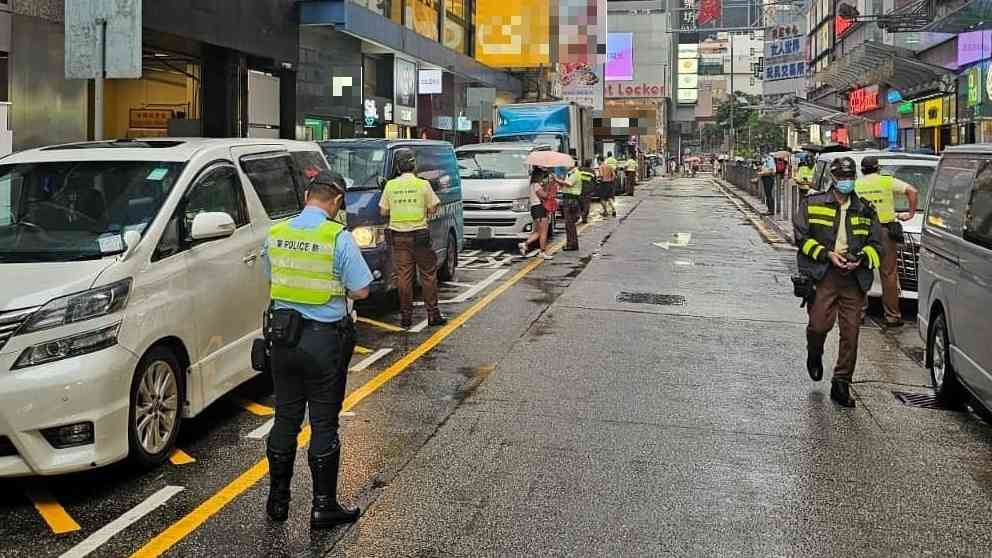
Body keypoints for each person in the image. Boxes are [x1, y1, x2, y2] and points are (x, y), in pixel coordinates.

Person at [263, 172, 373, 528]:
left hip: (282, 340)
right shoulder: (337, 238)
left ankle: (277, 502)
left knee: (285, 418)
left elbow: (272, 275)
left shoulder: (277, 233)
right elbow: (361, 291)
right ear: (337, 201)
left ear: (308, 194)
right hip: (323, 341)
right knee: (323, 422)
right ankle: (323, 507)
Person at [794, 156, 883, 408]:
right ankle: (815, 352)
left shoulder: (866, 209)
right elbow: (801, 238)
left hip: (854, 278)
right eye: (842, 178)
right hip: (825, 274)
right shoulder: (812, 204)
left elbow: (877, 246)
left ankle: (841, 382)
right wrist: (827, 255)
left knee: (851, 333)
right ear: (833, 179)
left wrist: (862, 258)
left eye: (849, 177)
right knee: (819, 326)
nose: (846, 182)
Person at [379, 148, 447, 329]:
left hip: (399, 237)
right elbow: (434, 207)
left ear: (398, 167)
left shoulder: (390, 186)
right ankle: (433, 315)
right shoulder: (422, 185)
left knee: (403, 277)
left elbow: (383, 211)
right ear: (413, 165)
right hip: (420, 236)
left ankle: (406, 318)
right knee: (428, 275)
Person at [855, 156, 919, 327]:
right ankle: (892, 316)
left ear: (862, 170)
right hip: (884, 231)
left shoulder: (857, 185)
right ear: (878, 169)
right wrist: (910, 213)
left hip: (862, 231)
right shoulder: (886, 181)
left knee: (861, 270)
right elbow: (912, 191)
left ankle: (859, 313)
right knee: (889, 274)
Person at [519, 167, 554, 260]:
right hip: (540, 209)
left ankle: (524, 244)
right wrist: (548, 186)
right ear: (538, 176)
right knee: (544, 232)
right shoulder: (536, 185)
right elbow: (545, 196)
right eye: (542, 175)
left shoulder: (531, 185)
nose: (543, 177)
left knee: (537, 232)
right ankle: (542, 252)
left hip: (534, 209)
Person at [560, 162, 584, 250]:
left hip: (571, 200)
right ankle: (571, 243)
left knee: (570, 223)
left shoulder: (575, 173)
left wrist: (557, 180)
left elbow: (569, 184)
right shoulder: (569, 174)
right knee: (569, 224)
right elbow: (565, 186)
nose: (565, 165)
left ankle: (572, 244)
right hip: (568, 199)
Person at [578, 159, 596, 224]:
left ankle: (581, 214)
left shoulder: (579, 169)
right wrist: (593, 189)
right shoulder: (592, 171)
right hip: (588, 191)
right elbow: (594, 181)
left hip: (579, 190)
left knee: (580, 203)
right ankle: (584, 216)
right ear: (590, 164)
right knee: (586, 205)